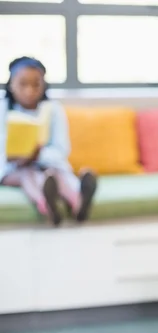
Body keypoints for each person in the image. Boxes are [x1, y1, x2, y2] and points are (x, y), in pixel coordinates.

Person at [0, 56, 97, 226]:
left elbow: (61, 149)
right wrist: (18, 158)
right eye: (23, 84)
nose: (29, 91)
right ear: (11, 84)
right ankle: (46, 204)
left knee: (54, 174)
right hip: (12, 168)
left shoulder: (53, 110)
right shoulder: (2, 109)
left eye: (36, 84)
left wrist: (37, 155)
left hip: (46, 163)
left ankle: (78, 202)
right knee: (27, 175)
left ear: (44, 85)